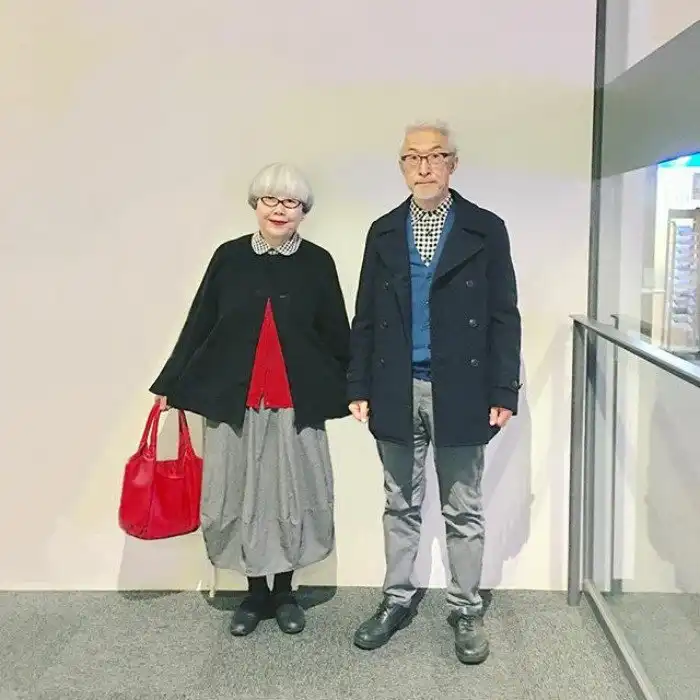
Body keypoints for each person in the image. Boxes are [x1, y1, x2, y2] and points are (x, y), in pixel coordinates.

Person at [149, 163, 350, 637]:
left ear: (303, 211)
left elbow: (336, 331)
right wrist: (171, 382)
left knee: (292, 496)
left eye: (290, 202)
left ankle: (285, 593)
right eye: (270, 200)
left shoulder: (318, 262)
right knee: (238, 494)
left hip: (295, 403)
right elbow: (201, 321)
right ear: (255, 205)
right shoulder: (229, 257)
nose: (279, 210)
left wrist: (358, 388)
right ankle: (254, 593)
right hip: (234, 402)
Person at [347, 121, 521, 664]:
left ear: (452, 164)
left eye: (435, 156)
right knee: (399, 502)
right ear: (402, 166)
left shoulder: (485, 228)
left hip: (462, 389)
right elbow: (366, 314)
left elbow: (504, 314)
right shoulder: (382, 231)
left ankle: (466, 608)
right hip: (395, 387)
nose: (423, 167)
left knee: (462, 507)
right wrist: (358, 383)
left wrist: (503, 388)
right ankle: (396, 599)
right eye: (412, 157)